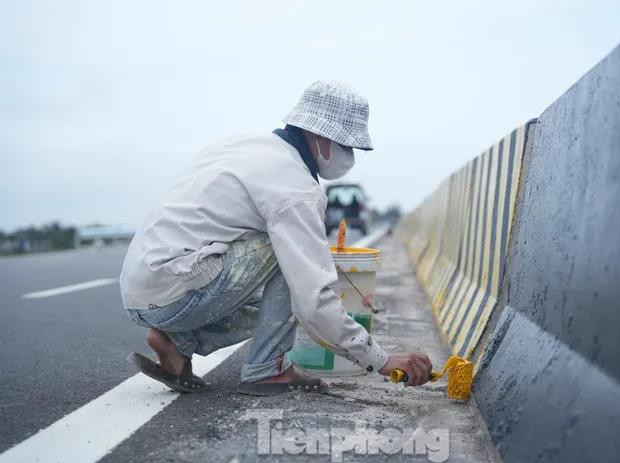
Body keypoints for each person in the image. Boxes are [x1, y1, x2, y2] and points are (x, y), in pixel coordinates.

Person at [119, 80, 433, 396]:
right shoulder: (296, 187)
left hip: (142, 288)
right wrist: (380, 359)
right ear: (321, 136)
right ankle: (269, 368)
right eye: (346, 146)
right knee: (292, 258)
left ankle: (178, 343)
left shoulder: (240, 145)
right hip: (176, 292)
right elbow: (313, 301)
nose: (348, 156)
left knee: (285, 277)